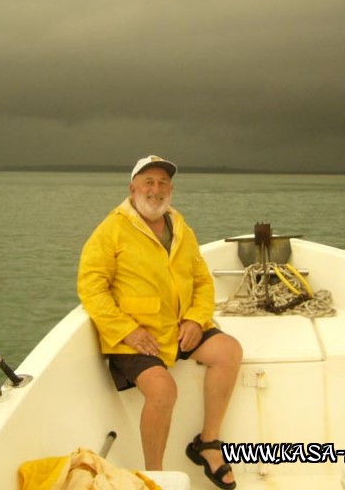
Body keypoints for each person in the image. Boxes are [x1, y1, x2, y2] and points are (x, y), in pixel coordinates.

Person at [77, 155, 243, 490]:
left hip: (179, 328)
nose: (156, 189)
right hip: (131, 337)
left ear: (171, 189)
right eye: (148, 182)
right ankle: (155, 475)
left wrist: (196, 319)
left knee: (229, 351)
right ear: (132, 188)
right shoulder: (112, 229)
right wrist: (128, 330)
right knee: (164, 389)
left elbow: (202, 281)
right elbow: (90, 286)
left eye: (163, 183)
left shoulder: (180, 225)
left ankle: (207, 443)